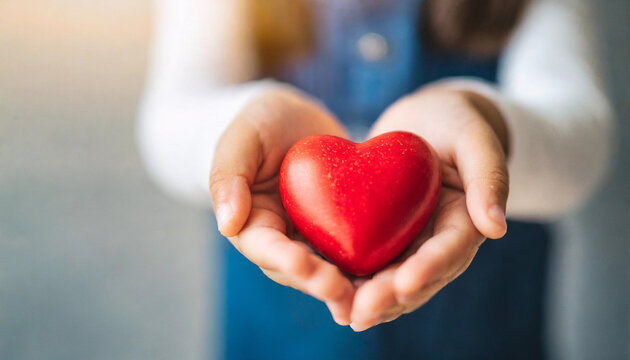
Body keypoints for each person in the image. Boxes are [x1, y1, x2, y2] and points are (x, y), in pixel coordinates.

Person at [137, 0, 614, 358]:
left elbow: (583, 136)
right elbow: (169, 120)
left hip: (486, 329)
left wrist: (483, 119)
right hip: (276, 332)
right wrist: (243, 128)